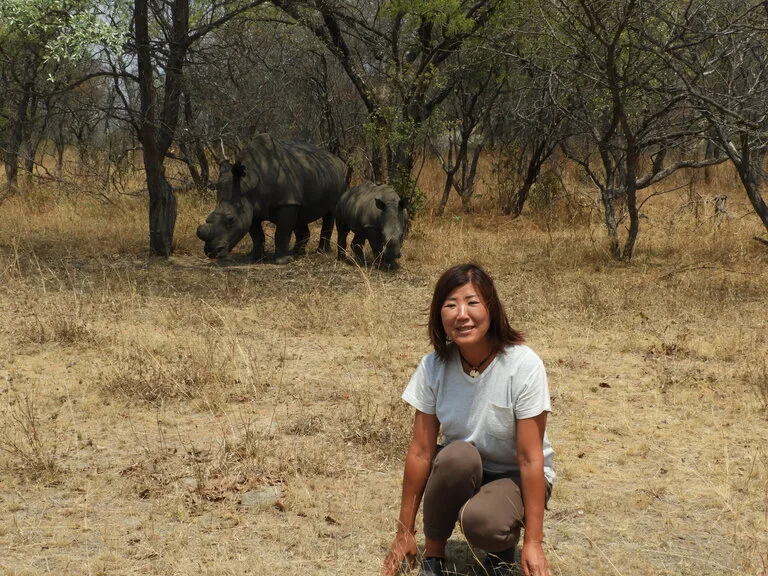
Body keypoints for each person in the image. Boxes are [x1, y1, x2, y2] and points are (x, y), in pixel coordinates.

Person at [381, 263, 555, 576]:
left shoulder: (523, 365)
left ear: (491, 307)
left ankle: (501, 550)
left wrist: (534, 541)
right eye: (450, 305)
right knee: (456, 456)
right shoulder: (434, 366)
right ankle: (434, 556)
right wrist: (404, 532)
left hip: (515, 475)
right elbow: (421, 450)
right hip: (466, 468)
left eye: (472, 302)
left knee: (483, 522)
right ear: (439, 314)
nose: (462, 314)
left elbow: (530, 459)